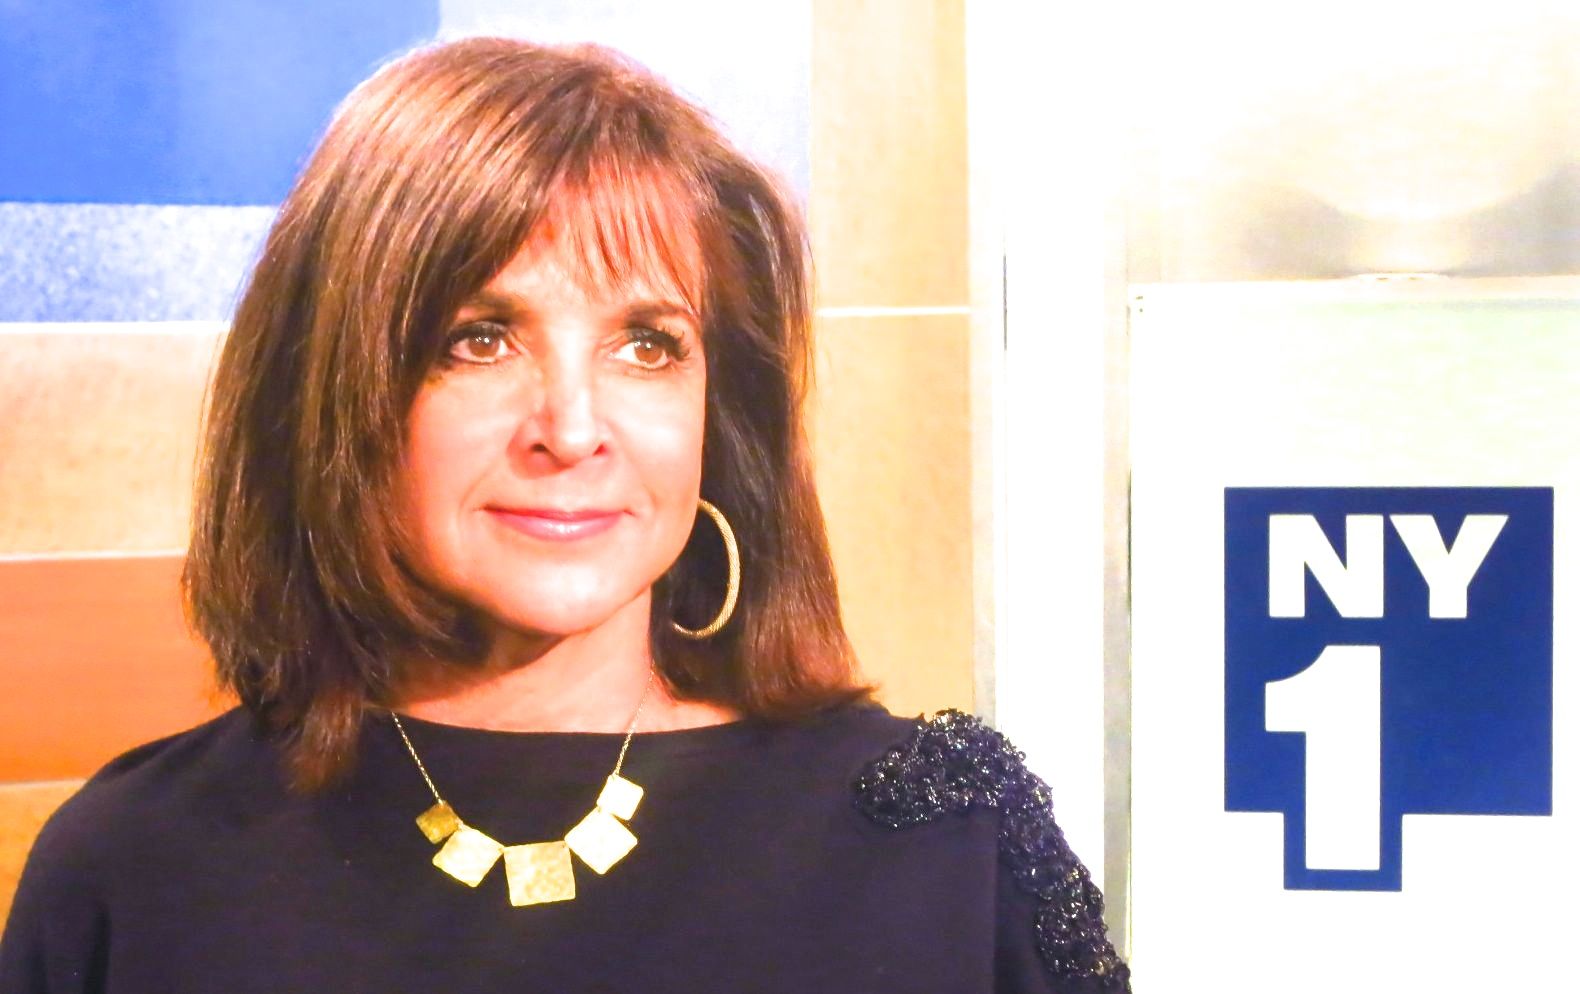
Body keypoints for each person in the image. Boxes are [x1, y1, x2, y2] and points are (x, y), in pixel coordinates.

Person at [0, 37, 1129, 993]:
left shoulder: (940, 840)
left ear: (716, 412)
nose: (572, 427)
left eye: (647, 346)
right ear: (337, 393)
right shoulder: (134, 868)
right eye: (478, 339)